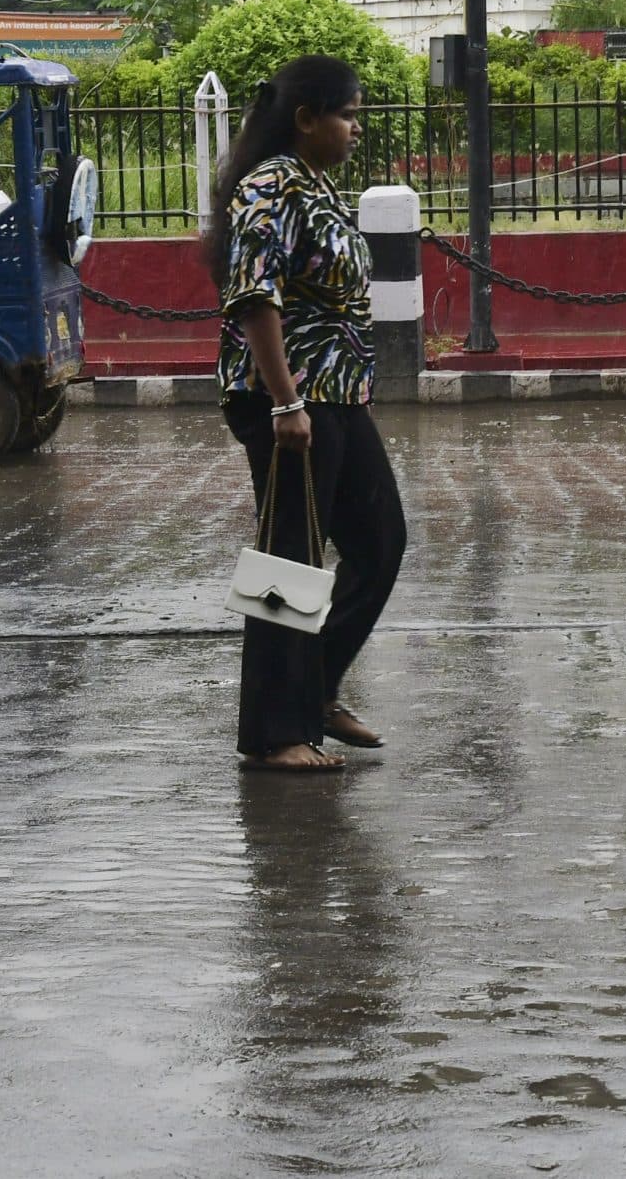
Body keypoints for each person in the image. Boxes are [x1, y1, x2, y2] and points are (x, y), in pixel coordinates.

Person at [206, 57, 408, 774]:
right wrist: (285, 400)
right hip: (287, 396)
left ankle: (313, 685)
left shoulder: (314, 185)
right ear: (305, 118)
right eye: (348, 114)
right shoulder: (268, 188)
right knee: (289, 557)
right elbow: (255, 298)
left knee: (380, 539)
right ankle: (273, 732)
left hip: (338, 394)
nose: (356, 128)